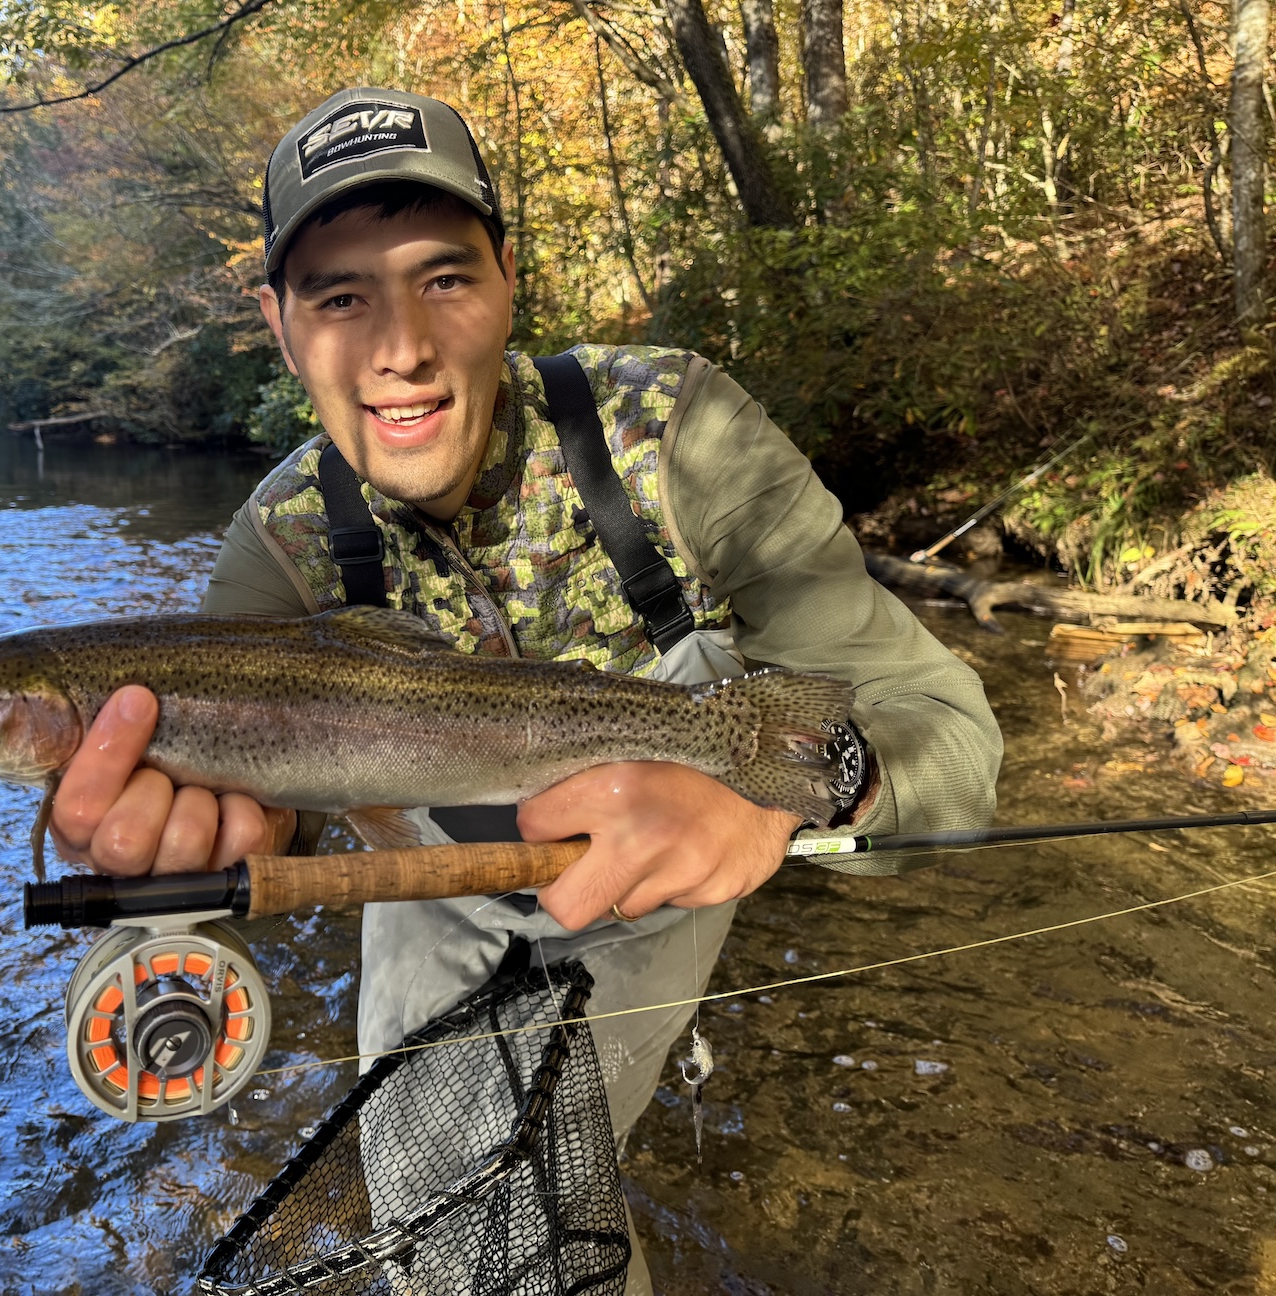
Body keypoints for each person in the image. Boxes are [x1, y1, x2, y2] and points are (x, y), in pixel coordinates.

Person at [49, 87, 1002, 1291]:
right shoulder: (279, 549)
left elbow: (953, 740)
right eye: (340, 298)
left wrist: (790, 796)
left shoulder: (676, 433)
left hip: (684, 824)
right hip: (425, 859)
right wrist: (184, 860)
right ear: (281, 330)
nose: (400, 346)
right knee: (451, 1235)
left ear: (506, 279)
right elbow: (263, 816)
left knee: (533, 1189)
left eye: (443, 279)